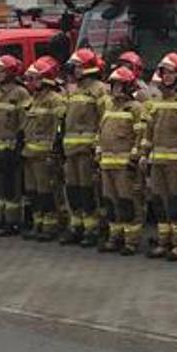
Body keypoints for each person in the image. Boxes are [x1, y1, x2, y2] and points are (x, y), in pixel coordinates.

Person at [143, 52, 177, 260]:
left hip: (176, 163)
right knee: (159, 202)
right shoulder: (156, 100)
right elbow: (149, 130)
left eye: (171, 72)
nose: (166, 76)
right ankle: (164, 241)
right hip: (157, 161)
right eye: (164, 72)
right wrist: (144, 154)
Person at [96, 66, 150, 255]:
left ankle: (131, 240)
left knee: (128, 202)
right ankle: (114, 236)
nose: (115, 88)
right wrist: (98, 149)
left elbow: (140, 134)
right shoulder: (109, 106)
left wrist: (135, 158)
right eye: (114, 84)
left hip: (125, 165)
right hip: (107, 164)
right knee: (111, 202)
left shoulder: (136, 108)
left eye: (119, 85)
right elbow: (101, 131)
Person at [59, 48, 109, 247]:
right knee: (73, 190)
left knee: (88, 190)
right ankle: (76, 225)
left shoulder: (99, 89)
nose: (75, 70)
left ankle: (92, 228)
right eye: (74, 67)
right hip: (70, 150)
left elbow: (105, 120)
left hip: (87, 150)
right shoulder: (73, 90)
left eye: (79, 66)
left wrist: (98, 146)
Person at [20, 57, 66, 241]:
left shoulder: (55, 100)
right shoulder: (33, 100)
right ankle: (38, 223)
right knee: (33, 191)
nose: (30, 82)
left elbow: (59, 126)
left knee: (46, 191)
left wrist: (55, 150)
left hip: (44, 155)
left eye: (34, 78)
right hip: (29, 154)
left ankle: (50, 226)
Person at [0, 54, 29, 236]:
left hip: (10, 149)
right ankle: (1, 219)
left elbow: (24, 123)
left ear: (10, 72)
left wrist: (18, 146)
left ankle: (13, 222)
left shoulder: (20, 93)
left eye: (0, 71)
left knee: (11, 189)